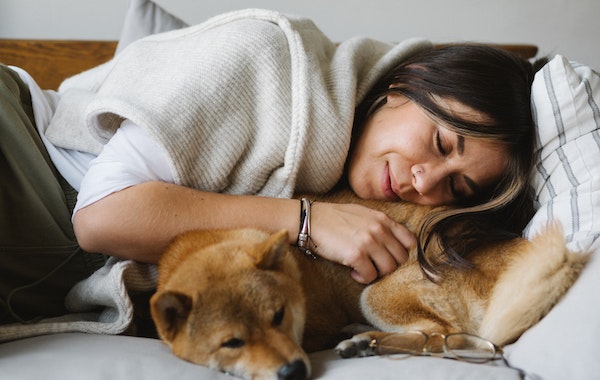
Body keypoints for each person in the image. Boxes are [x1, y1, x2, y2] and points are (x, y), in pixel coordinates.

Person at [0, 9, 540, 324]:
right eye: (442, 142)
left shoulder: (354, 176)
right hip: (25, 152)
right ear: (409, 81)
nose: (424, 181)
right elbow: (102, 218)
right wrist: (306, 221)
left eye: (458, 185)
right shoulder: (263, 59)